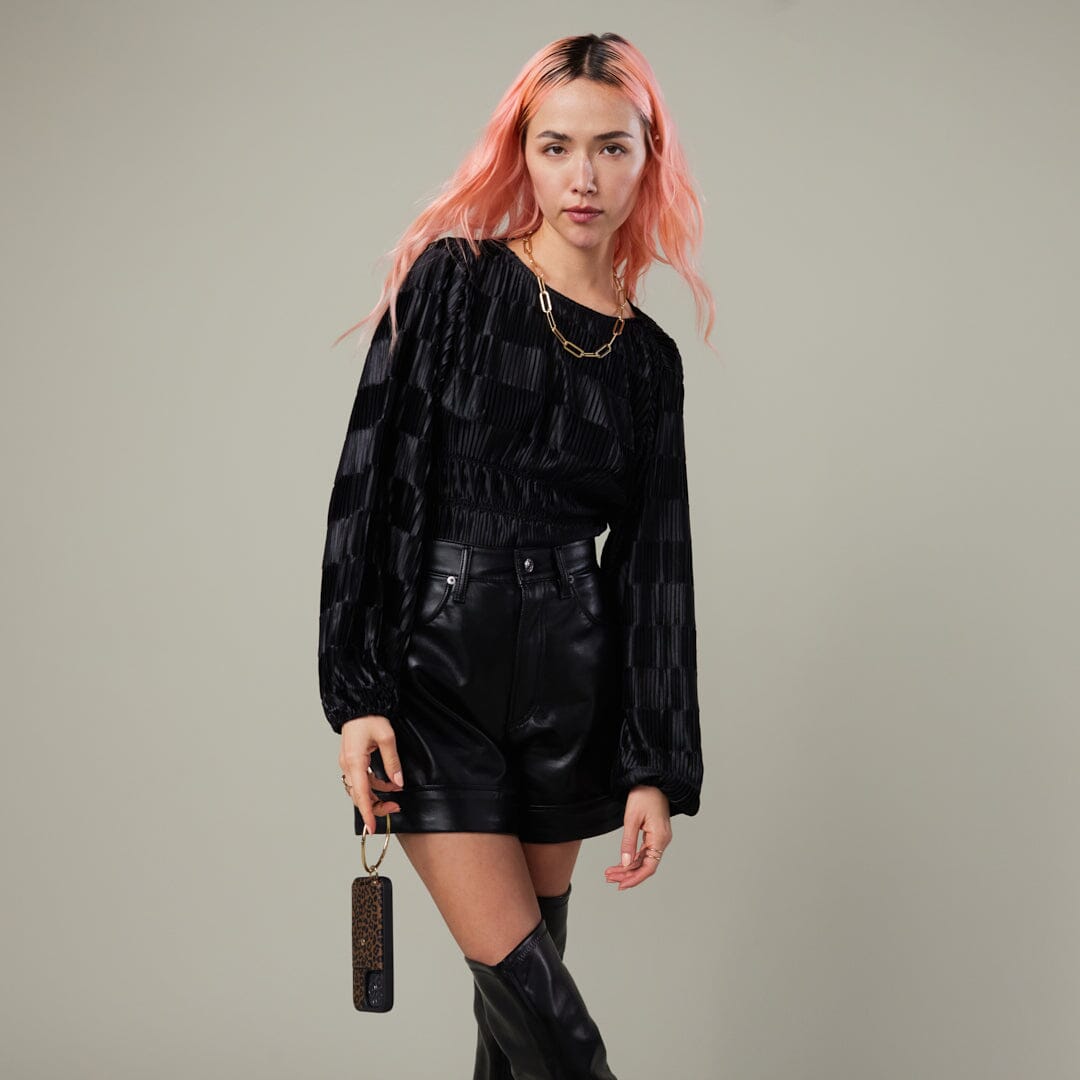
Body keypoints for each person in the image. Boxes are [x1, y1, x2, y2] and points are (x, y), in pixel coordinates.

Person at [318, 31, 714, 1079]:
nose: (584, 177)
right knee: (552, 1025)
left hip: (568, 683)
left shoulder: (648, 363)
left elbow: (654, 566)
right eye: (556, 146)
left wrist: (652, 765)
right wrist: (358, 693)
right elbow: (370, 482)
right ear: (522, 155)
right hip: (433, 672)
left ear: (649, 159)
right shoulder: (453, 284)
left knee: (514, 1035)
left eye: (612, 148)